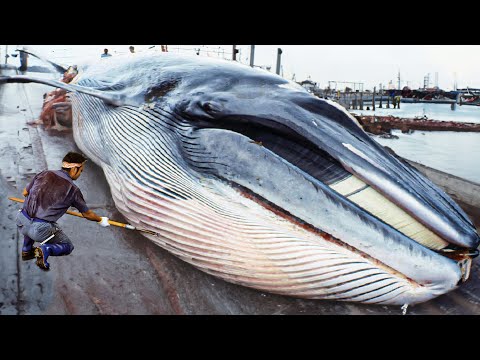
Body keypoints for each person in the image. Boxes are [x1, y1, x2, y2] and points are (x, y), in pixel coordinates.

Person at [16, 152, 111, 271]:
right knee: (67, 246)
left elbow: (25, 193)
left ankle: (26, 250)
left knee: (30, 218)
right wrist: (101, 219)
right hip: (39, 229)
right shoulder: (73, 190)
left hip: (21, 220)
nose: (80, 174)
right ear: (74, 169)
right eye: (81, 170)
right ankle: (45, 249)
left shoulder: (44, 173)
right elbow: (87, 214)